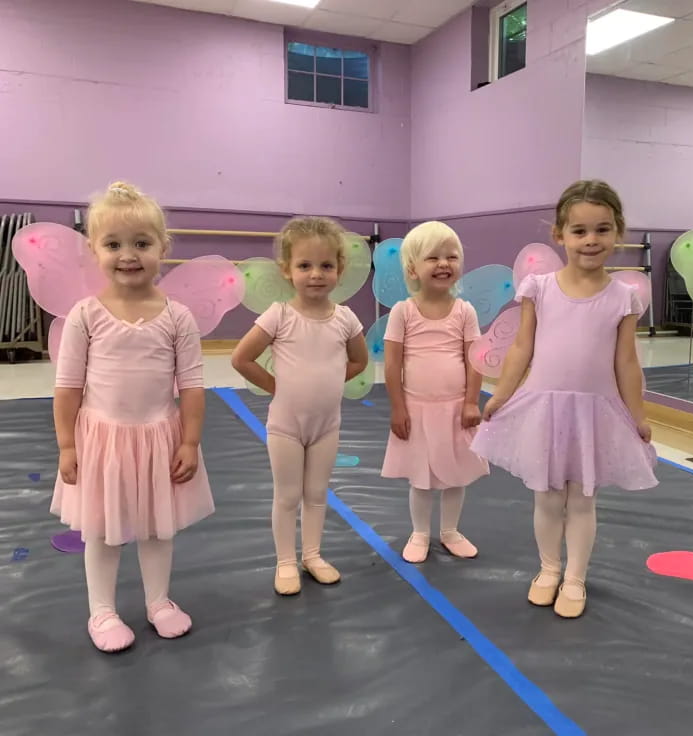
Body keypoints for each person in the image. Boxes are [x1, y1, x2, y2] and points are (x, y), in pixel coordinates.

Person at [471, 180, 657, 619]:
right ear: (560, 234)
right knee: (548, 497)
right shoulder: (540, 287)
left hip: (595, 411)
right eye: (579, 231)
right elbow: (522, 348)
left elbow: (626, 362)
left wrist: (638, 415)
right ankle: (548, 569)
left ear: (618, 233)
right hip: (544, 407)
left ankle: (575, 577)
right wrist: (501, 394)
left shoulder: (623, 297)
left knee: (584, 498)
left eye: (602, 230)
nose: (590, 240)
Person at [53, 181, 215, 652]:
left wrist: (189, 441)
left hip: (158, 438)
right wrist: (67, 444)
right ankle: (101, 611)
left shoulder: (177, 317)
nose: (129, 255)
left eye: (142, 244)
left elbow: (191, 386)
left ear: (163, 248)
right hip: (102, 440)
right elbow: (68, 388)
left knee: (155, 525)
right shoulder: (86, 315)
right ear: (94, 251)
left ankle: (158, 601)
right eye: (114, 244)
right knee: (102, 530)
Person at [232, 217, 368, 595]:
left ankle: (312, 554)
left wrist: (326, 382)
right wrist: (280, 387)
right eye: (305, 266)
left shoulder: (345, 318)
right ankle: (286, 561)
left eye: (326, 266)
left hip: (327, 424)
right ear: (287, 270)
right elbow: (242, 359)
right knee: (288, 495)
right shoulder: (279, 315)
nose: (316, 275)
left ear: (339, 269)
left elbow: (358, 362)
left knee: (318, 493)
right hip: (286, 424)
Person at [381, 221, 489, 564]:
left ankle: (450, 531)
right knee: (421, 477)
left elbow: (475, 359)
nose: (444, 264)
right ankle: (420, 532)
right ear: (413, 268)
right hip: (418, 409)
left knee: (457, 474)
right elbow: (391, 366)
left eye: (451, 256)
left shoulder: (465, 311)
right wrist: (398, 409)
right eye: (433, 258)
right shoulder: (403, 311)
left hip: (456, 408)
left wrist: (472, 401)